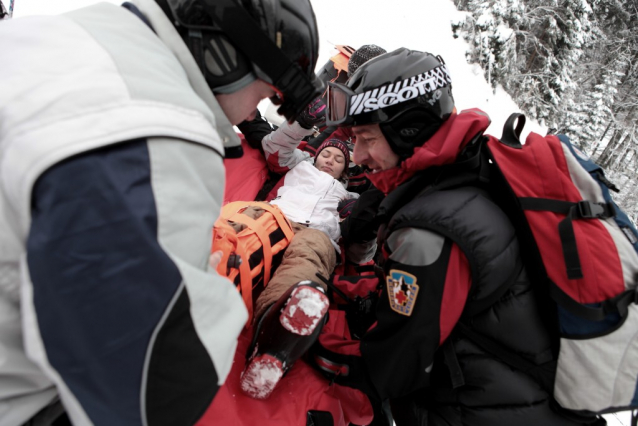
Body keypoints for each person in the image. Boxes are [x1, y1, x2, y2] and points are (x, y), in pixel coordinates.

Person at [0, 0, 321, 424]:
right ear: (225, 56)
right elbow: (156, 380)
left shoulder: (54, 36)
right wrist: (213, 300)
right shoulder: (159, 138)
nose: (250, 115)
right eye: (264, 95)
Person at [325, 47, 604, 425]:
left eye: (367, 138)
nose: (357, 155)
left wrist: (318, 345)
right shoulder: (471, 170)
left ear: (409, 130)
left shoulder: (429, 229)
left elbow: (394, 366)